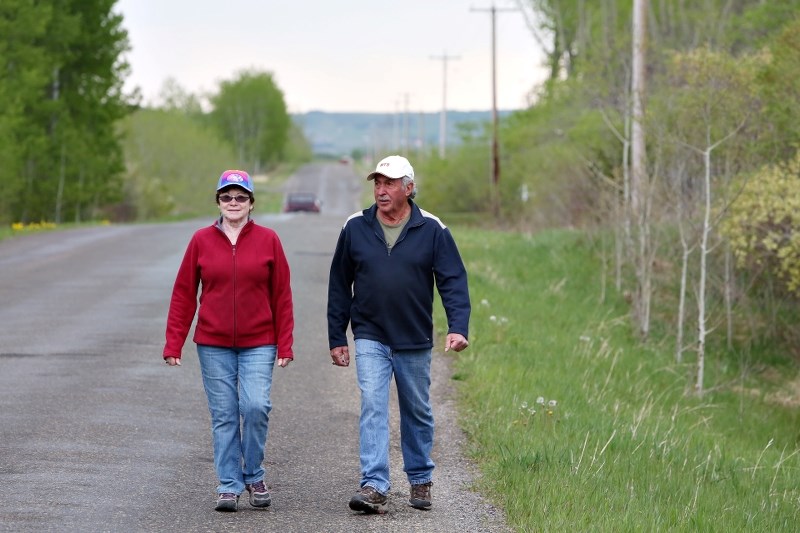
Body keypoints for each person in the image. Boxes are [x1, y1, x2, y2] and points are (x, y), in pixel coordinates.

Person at [327, 155, 471, 514]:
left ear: (409, 188)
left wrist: (458, 327)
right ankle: (374, 485)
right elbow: (339, 285)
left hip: (414, 336)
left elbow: (452, 280)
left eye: (389, 183)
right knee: (373, 406)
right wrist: (337, 336)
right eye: (377, 183)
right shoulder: (355, 227)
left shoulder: (433, 228)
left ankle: (420, 479)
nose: (381, 190)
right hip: (370, 333)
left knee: (416, 410)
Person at [163, 169, 294, 512]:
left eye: (240, 197)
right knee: (223, 415)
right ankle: (228, 484)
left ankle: (253, 474)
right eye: (226, 197)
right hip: (213, 343)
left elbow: (282, 294)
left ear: (251, 203)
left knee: (255, 407)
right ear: (218, 202)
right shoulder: (200, 241)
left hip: (260, 341)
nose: (233, 203)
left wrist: (286, 342)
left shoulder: (269, 240)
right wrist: (173, 342)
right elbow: (183, 294)